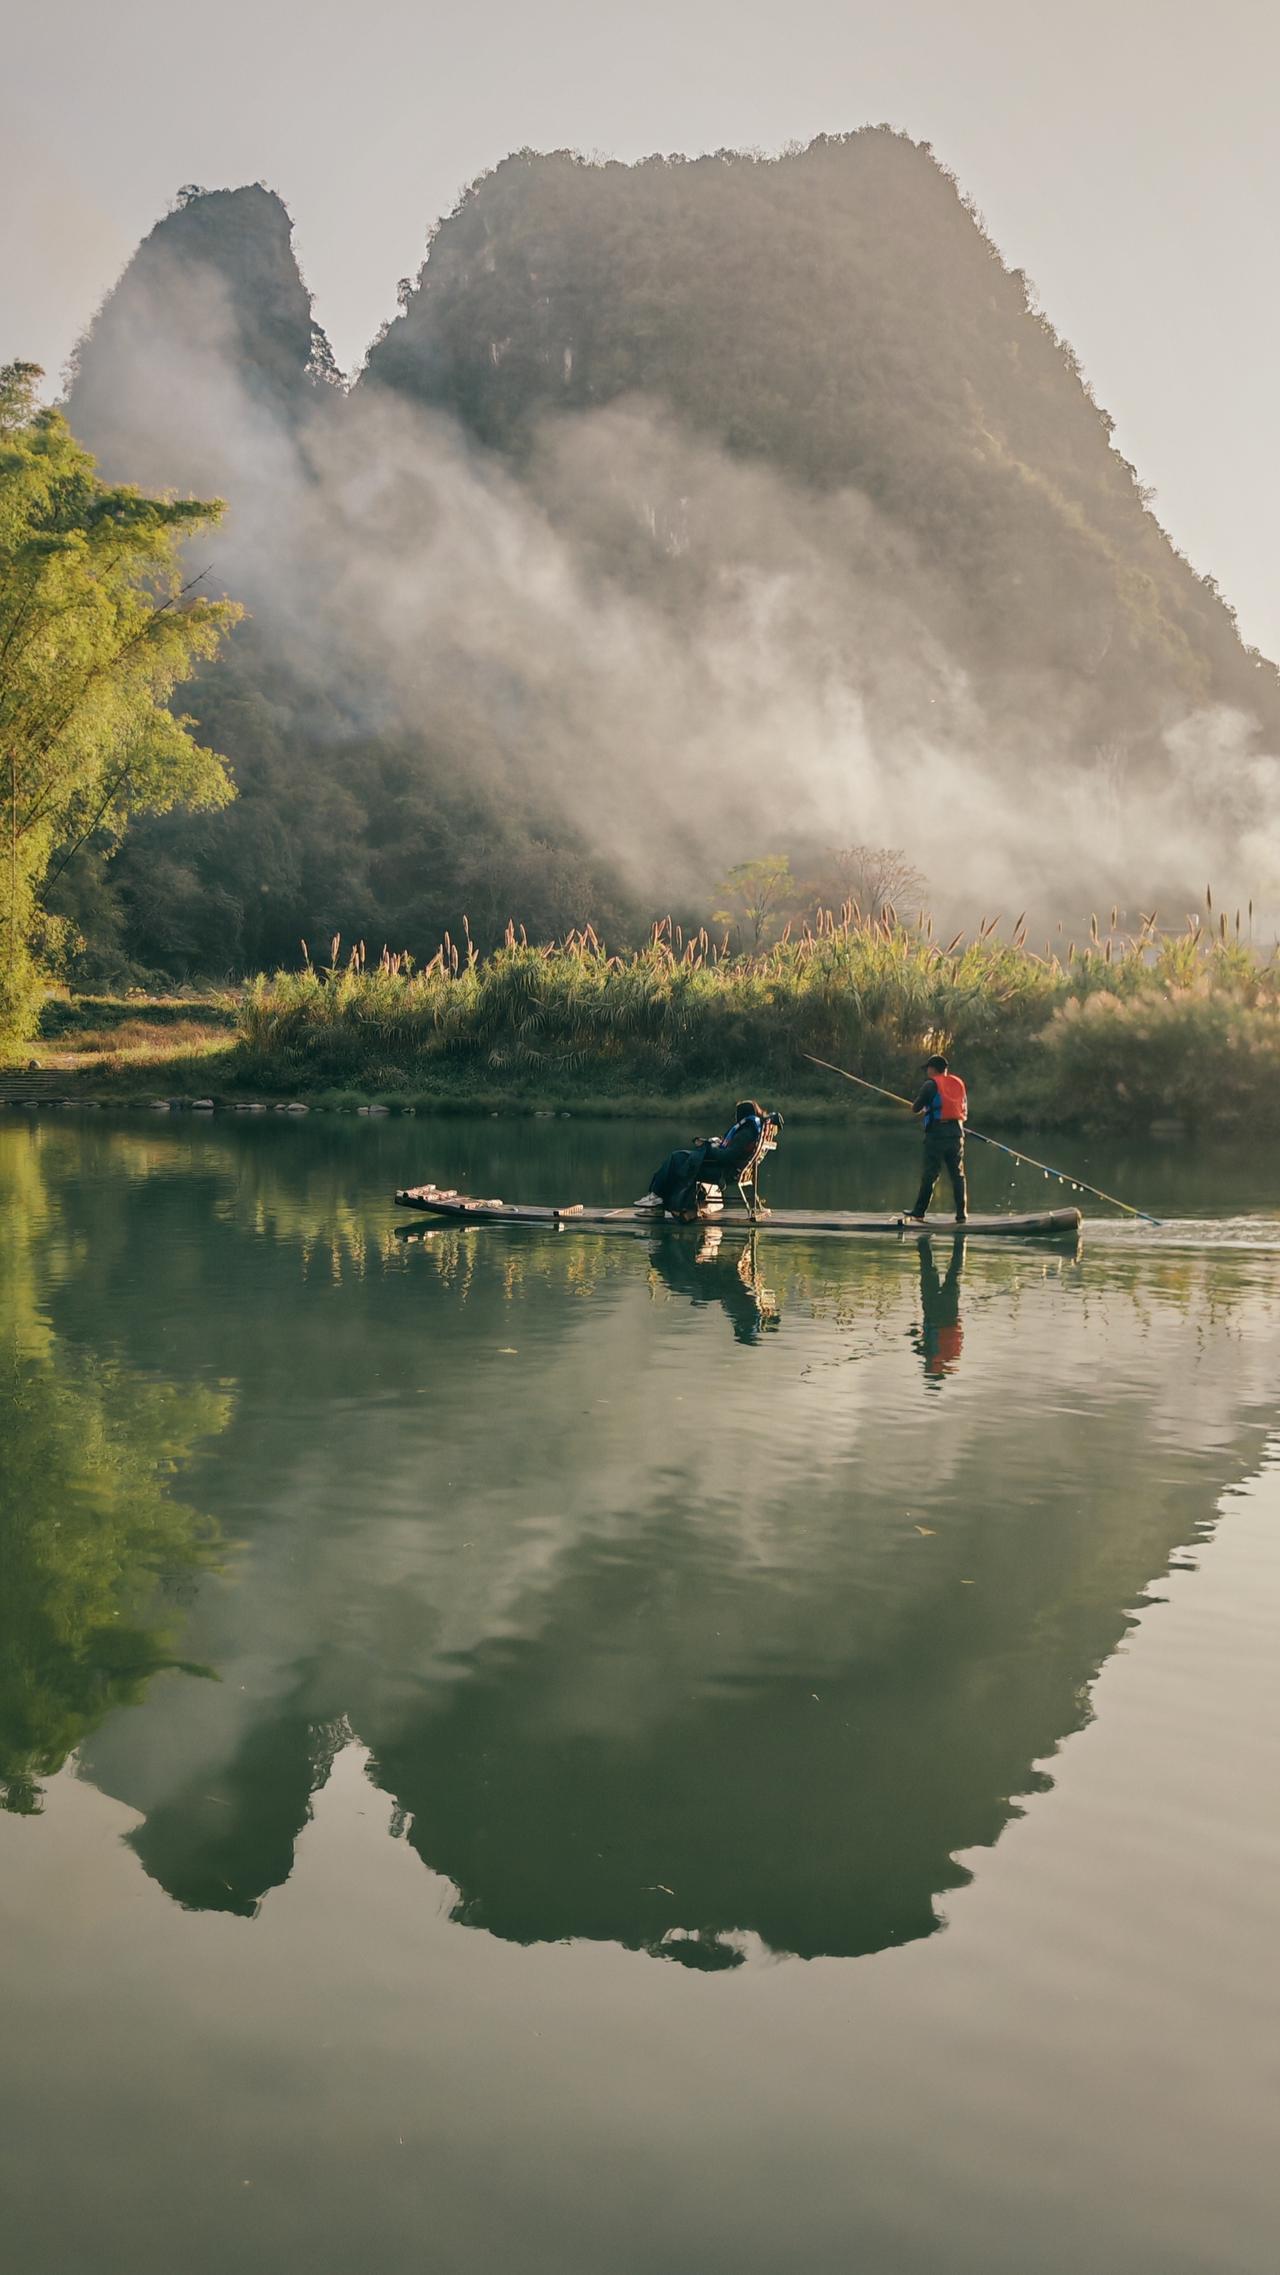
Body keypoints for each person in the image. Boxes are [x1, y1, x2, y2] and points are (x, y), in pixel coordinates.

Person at [642, 1100, 767, 1216]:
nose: (735, 1117)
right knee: (679, 1157)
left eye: (736, 1114)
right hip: (729, 1169)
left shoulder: (745, 1133)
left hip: (723, 1172)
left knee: (677, 1159)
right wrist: (714, 1144)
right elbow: (731, 1151)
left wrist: (708, 1146)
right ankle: (657, 1197)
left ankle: (657, 1199)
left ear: (742, 1114)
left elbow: (726, 1157)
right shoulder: (751, 1129)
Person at [904, 1055, 968, 1224]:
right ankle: (961, 1215)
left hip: (936, 1135)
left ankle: (919, 1212)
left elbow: (915, 1108)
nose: (927, 1071)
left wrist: (920, 1107)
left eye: (928, 1068)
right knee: (958, 1175)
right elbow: (962, 1108)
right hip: (956, 1133)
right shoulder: (958, 1083)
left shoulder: (930, 1084)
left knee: (930, 1174)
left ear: (933, 1069)